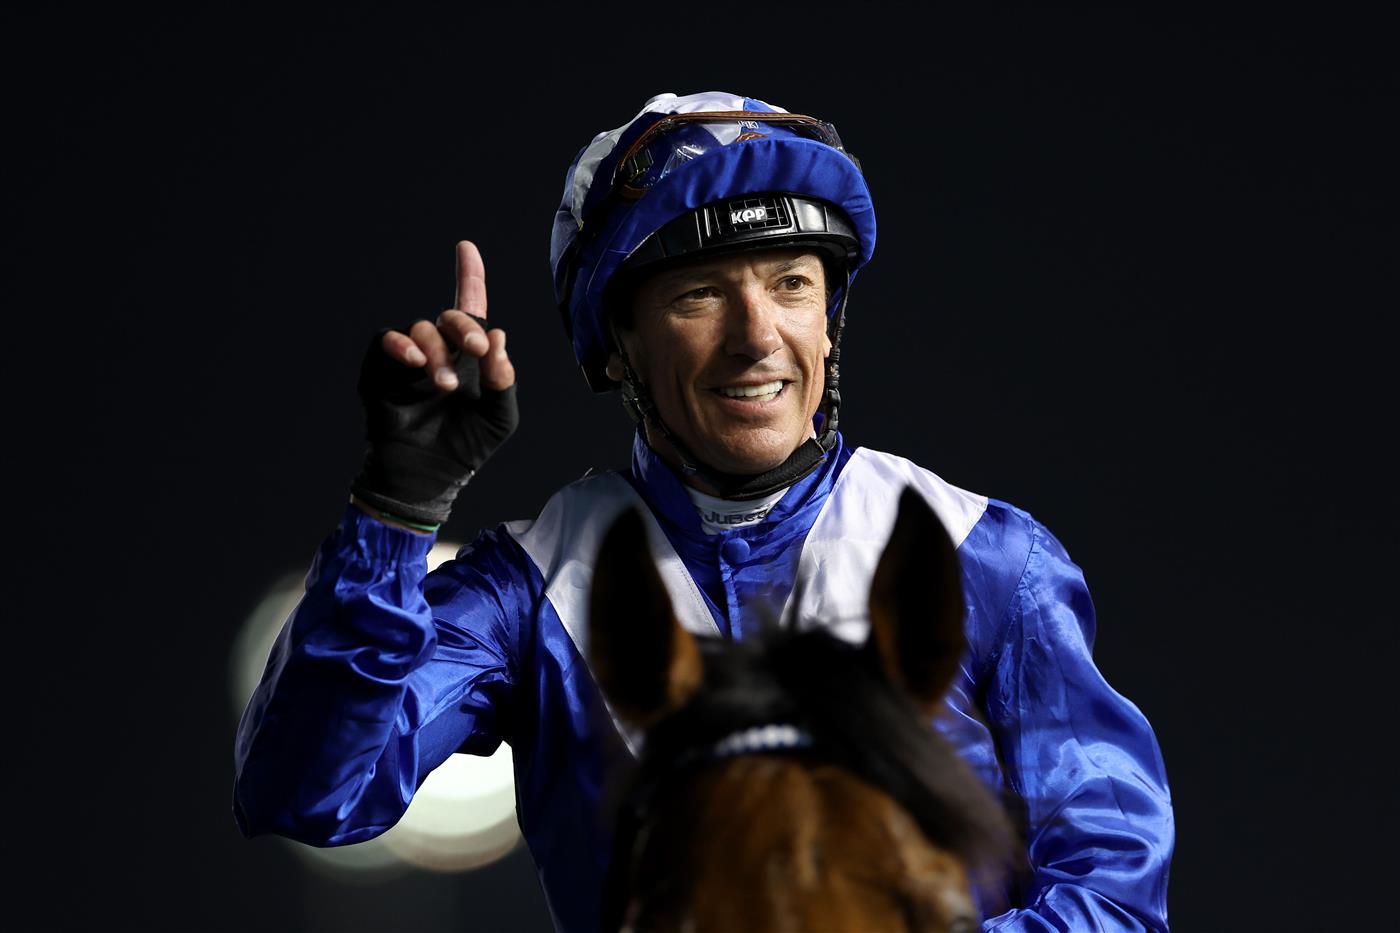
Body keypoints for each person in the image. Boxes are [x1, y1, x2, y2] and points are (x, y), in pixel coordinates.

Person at [232, 90, 1175, 932]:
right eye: (699, 294)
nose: (757, 335)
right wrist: (398, 506)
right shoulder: (529, 592)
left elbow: (1117, 896)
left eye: (791, 284)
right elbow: (310, 790)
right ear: (616, 351)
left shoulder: (988, 557)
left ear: (829, 321)